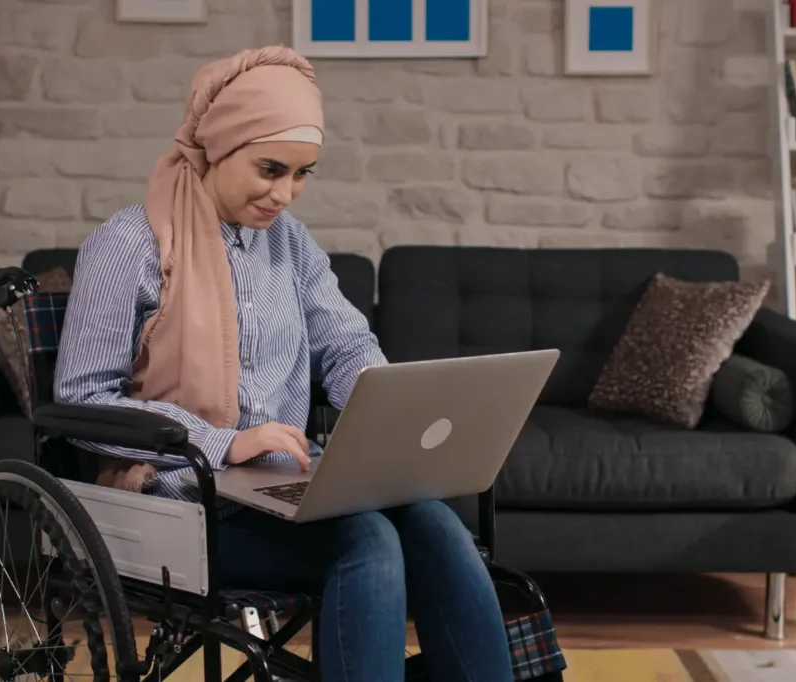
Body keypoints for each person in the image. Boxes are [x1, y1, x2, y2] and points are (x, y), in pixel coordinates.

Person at [54, 46, 514, 682]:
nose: (285, 193)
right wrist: (225, 442)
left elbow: (346, 344)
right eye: (270, 169)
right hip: (177, 505)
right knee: (370, 543)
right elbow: (84, 400)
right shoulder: (127, 243)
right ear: (218, 145)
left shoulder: (290, 243)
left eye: (302, 174)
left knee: (437, 524)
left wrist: (389, 414)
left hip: (278, 486)